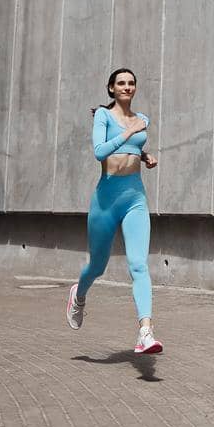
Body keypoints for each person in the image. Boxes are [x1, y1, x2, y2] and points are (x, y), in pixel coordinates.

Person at [65, 66, 162, 354]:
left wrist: (144, 156)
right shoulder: (104, 117)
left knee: (138, 264)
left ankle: (146, 331)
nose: (127, 87)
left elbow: (132, 146)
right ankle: (78, 295)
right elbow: (100, 151)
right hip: (106, 199)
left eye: (131, 83)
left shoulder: (142, 119)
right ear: (111, 88)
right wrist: (130, 132)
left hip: (135, 197)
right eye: (121, 83)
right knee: (97, 266)